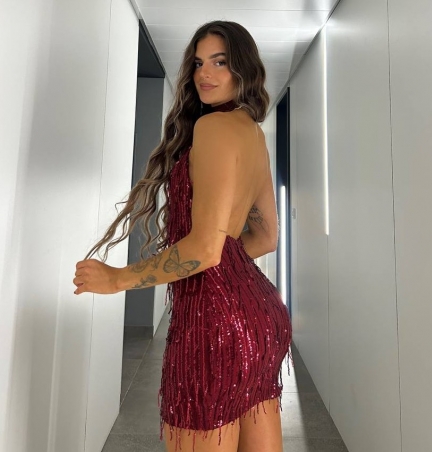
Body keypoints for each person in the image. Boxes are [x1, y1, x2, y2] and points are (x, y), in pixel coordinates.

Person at [73, 20, 292, 452]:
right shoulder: (252, 133)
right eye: (198, 63)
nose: (204, 73)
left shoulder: (212, 129)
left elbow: (205, 250)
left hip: (214, 325)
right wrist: (226, 265)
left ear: (244, 69)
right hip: (263, 317)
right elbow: (266, 236)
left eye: (220, 62)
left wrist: (117, 279)